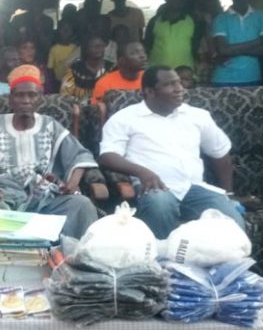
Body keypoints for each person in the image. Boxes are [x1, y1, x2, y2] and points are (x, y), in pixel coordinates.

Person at [98, 65, 245, 239]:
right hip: (156, 188)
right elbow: (107, 156)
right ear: (150, 92)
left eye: (179, 83)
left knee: (231, 220)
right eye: (170, 84)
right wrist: (142, 172)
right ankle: (162, 254)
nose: (179, 89)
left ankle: (228, 258)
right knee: (160, 205)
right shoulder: (125, 118)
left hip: (194, 188)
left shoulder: (197, 116)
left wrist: (228, 194)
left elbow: (220, 153)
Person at [0, 69, 98, 239]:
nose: (26, 100)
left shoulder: (50, 125)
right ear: (11, 98)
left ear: (40, 99)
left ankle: (75, 254)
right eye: (20, 95)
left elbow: (81, 155)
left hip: (46, 198)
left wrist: (73, 183)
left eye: (32, 95)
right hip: (5, 197)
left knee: (82, 205)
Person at [211, 0, 263, 87]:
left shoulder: (260, 16)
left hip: (252, 76)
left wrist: (232, 50)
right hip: (224, 78)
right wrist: (257, 41)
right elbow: (223, 50)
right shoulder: (221, 18)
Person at [145, 0, 203, 69]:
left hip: (184, 73)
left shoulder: (194, 21)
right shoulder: (154, 21)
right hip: (158, 72)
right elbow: (147, 46)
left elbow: (199, 47)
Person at [61, 35, 114, 102]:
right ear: (86, 49)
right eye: (95, 46)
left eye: (101, 46)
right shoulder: (75, 69)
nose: (99, 48)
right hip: (78, 107)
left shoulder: (111, 68)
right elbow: (65, 95)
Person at [47, 20, 78, 90]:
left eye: (68, 29)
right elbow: (50, 68)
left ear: (72, 32)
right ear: (58, 31)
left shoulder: (75, 48)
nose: (65, 31)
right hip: (58, 81)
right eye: (63, 28)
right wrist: (51, 83)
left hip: (73, 81)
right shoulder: (54, 49)